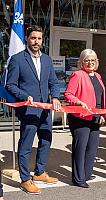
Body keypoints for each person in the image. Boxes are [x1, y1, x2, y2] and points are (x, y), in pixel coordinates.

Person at [6, 25, 61, 194]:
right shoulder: (17, 59)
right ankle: (24, 179)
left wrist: (55, 97)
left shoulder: (47, 59)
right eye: (33, 38)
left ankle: (39, 172)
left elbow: (53, 82)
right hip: (28, 110)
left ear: (42, 40)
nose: (36, 41)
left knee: (46, 141)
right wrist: (24, 96)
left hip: (45, 109)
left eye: (39, 38)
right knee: (26, 145)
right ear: (27, 39)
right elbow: (10, 85)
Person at [64, 49, 106, 188]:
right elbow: (68, 94)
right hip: (80, 117)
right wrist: (79, 102)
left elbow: (100, 98)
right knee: (80, 148)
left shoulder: (98, 77)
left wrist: (101, 115)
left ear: (97, 62)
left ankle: (87, 174)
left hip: (95, 116)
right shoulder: (77, 75)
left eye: (93, 60)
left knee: (92, 148)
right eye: (87, 60)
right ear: (81, 62)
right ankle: (78, 178)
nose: (90, 62)